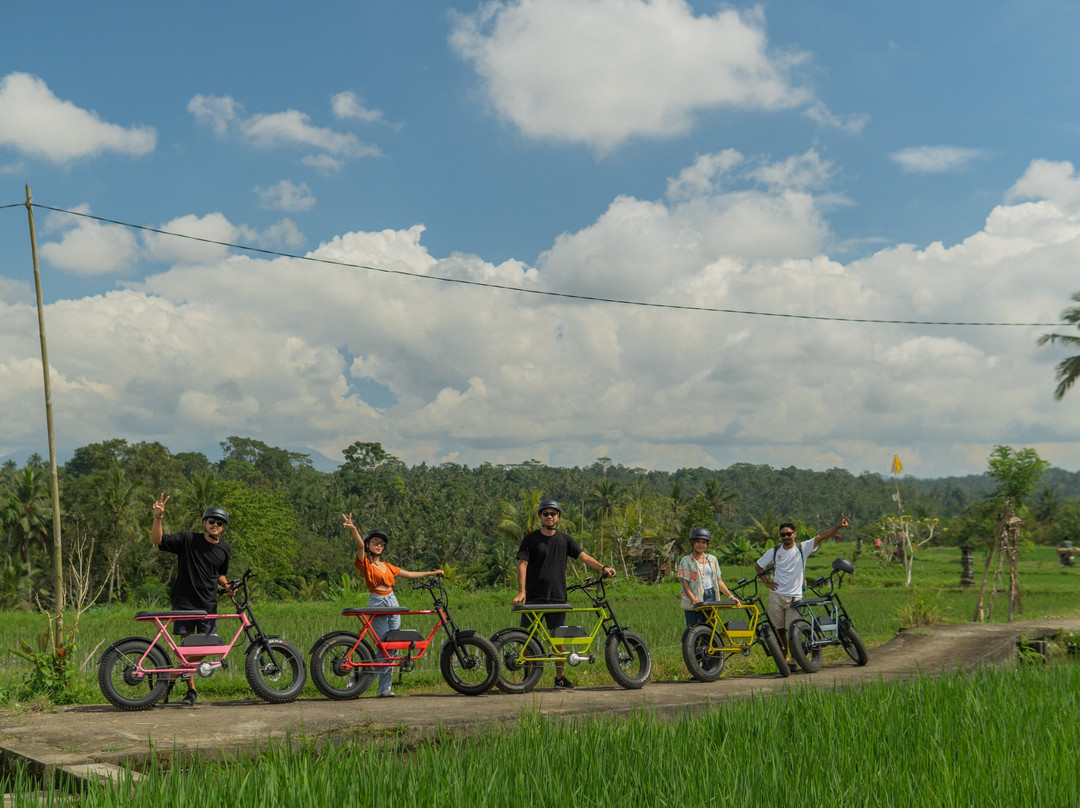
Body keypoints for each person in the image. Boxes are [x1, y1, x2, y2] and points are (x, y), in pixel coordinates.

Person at [514, 499, 615, 690]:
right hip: (533, 598)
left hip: (557, 598)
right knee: (528, 639)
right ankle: (526, 678)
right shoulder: (530, 539)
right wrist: (521, 591)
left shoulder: (565, 540)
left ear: (558, 516)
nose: (549, 517)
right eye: (546, 514)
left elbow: (583, 557)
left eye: (553, 513)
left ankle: (560, 678)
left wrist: (603, 568)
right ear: (540, 517)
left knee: (558, 642)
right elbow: (522, 564)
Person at [342, 513, 443, 698]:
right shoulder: (365, 563)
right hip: (377, 603)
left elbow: (408, 574)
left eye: (382, 543)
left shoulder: (388, 566)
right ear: (368, 545)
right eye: (375, 542)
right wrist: (354, 529)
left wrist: (431, 572)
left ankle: (384, 689)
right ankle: (357, 683)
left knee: (394, 645)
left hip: (393, 601)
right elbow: (358, 545)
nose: (379, 545)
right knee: (383, 646)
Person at [151, 494, 235, 707]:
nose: (215, 525)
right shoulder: (188, 539)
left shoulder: (224, 549)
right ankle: (191, 692)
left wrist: (226, 586)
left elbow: (219, 574)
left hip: (208, 605)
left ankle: (169, 678)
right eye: (212, 521)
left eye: (220, 523)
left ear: (223, 527)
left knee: (207, 647)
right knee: (185, 649)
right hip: (184, 604)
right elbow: (157, 540)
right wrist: (158, 517)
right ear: (204, 523)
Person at [754, 515, 849, 666]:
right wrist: (767, 583)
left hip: (794, 597)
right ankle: (785, 659)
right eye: (783, 535)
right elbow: (758, 566)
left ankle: (795, 658)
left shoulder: (802, 548)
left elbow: (821, 536)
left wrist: (838, 527)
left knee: (794, 631)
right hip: (776, 596)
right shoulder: (774, 551)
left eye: (788, 534)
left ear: (794, 534)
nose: (786, 537)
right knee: (779, 630)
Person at [677, 527, 740, 628]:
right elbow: (685, 583)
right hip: (694, 596)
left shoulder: (712, 559)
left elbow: (719, 581)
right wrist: (693, 599)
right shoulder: (686, 561)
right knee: (694, 629)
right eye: (698, 542)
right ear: (692, 542)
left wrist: (731, 597)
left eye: (704, 542)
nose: (701, 545)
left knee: (710, 629)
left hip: (711, 596)